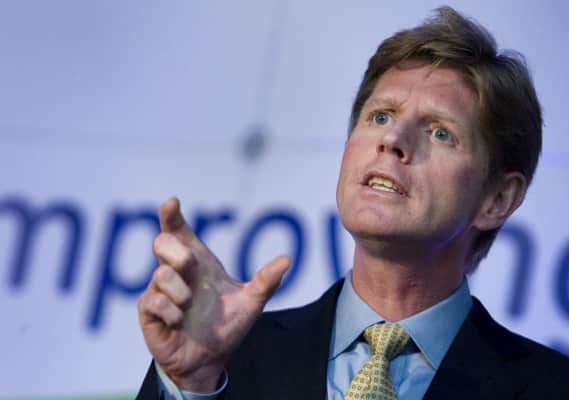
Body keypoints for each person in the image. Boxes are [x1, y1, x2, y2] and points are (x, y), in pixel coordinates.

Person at [136, 6, 569, 400]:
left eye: (440, 133)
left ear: (497, 199)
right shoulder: (229, 359)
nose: (393, 139)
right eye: (381, 116)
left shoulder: (551, 387)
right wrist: (191, 385)